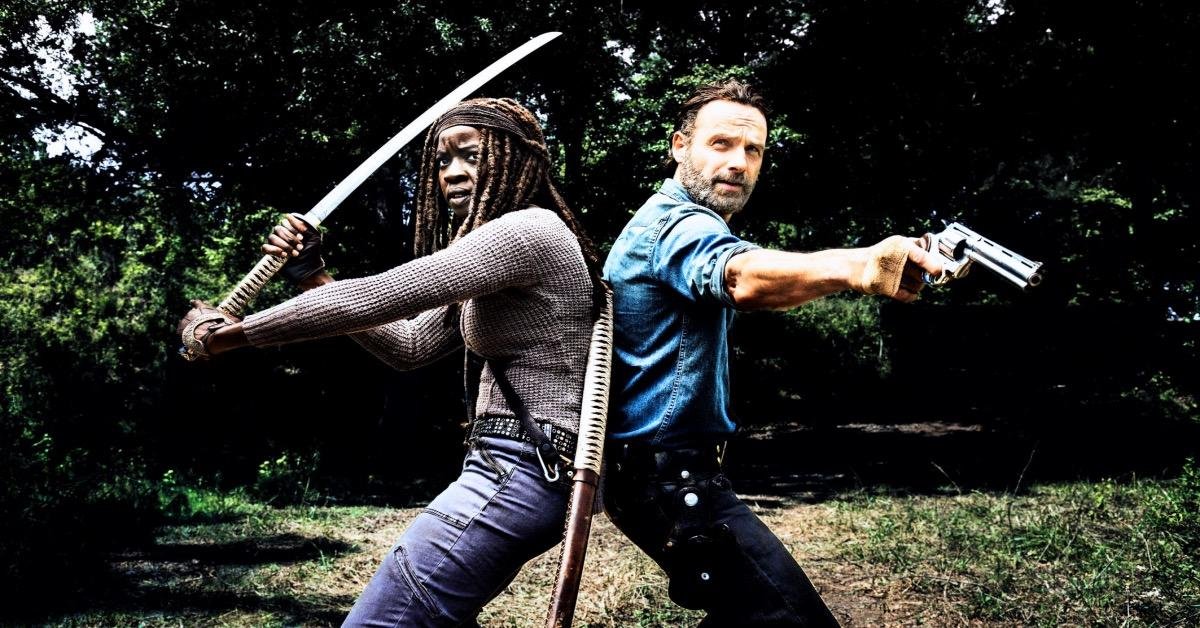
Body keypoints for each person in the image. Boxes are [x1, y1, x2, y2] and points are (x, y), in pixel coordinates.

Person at [178, 97, 607, 627]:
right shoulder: (503, 249)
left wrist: (222, 336)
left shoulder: (527, 231)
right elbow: (409, 345)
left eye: (471, 156)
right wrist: (313, 276)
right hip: (514, 470)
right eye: (443, 161)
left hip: (520, 472)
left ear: (516, 161)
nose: (452, 173)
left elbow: (374, 297)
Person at [600, 79, 943, 626]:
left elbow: (754, 279)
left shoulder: (680, 222)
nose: (739, 162)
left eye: (753, 149)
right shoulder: (676, 225)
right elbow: (741, 277)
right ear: (679, 146)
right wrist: (859, 266)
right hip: (668, 480)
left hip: (667, 475)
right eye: (721, 143)